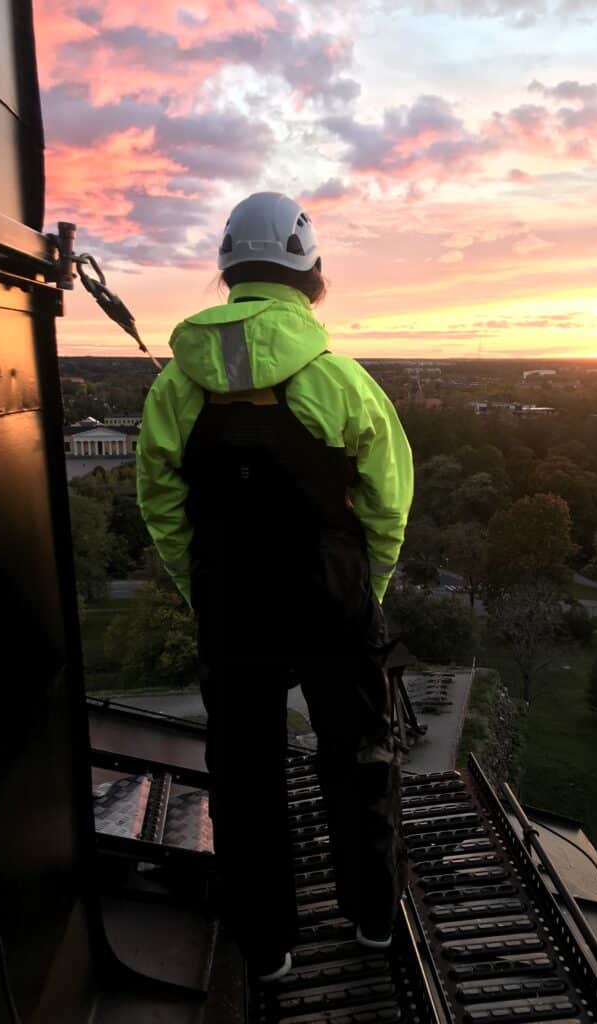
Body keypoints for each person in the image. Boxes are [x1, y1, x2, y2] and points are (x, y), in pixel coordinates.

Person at [136, 191, 414, 983]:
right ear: (312, 277)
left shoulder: (174, 390)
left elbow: (159, 501)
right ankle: (369, 917)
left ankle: (267, 944)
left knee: (245, 769)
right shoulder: (341, 383)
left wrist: (204, 589)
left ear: (228, 272)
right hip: (332, 597)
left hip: (232, 599)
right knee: (358, 755)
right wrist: (368, 591)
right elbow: (388, 503)